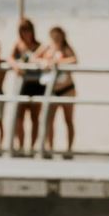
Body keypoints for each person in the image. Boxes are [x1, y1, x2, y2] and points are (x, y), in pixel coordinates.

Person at [37, 26, 77, 158]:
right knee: (49, 120)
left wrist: (58, 62)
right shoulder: (47, 47)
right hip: (52, 90)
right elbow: (34, 58)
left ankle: (69, 149)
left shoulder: (66, 48)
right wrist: (44, 62)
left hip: (67, 89)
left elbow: (74, 60)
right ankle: (50, 148)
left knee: (68, 120)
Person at [10, 18, 43, 156]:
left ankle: (33, 147)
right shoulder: (18, 45)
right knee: (19, 117)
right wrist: (15, 66)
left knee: (35, 117)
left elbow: (44, 59)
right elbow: (10, 58)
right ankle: (21, 146)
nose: (26, 33)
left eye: (27, 30)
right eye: (23, 30)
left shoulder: (39, 45)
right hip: (22, 86)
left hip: (36, 84)